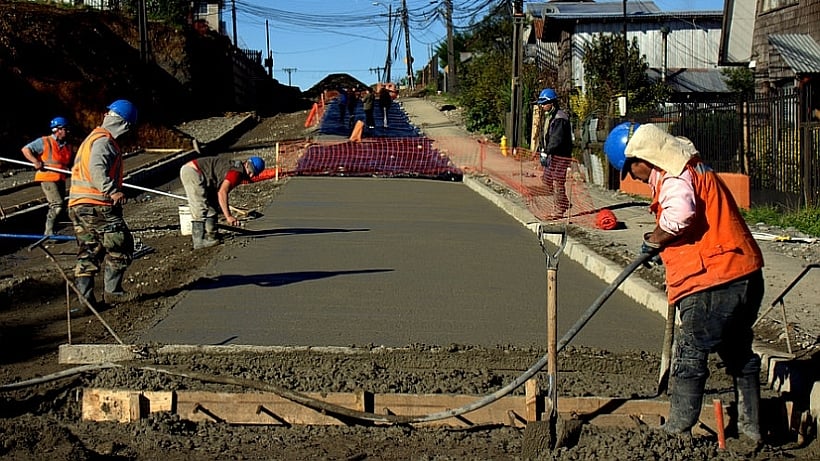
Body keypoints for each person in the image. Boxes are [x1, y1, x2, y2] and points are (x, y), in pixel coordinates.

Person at [603, 122, 765, 442]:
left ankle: (677, 430)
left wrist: (655, 240)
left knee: (689, 355)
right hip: (744, 272)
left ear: (641, 159)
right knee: (738, 354)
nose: (632, 177)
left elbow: (679, 216)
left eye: (629, 169)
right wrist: (659, 243)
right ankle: (751, 430)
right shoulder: (692, 168)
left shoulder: (674, 177)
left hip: (713, 280)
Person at [68, 99, 138, 307]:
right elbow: (97, 169)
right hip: (96, 204)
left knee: (89, 250)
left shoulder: (92, 138)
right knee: (120, 244)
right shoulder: (104, 141)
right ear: (124, 124)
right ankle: (113, 292)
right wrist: (112, 191)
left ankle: (85, 300)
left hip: (78, 205)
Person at [179, 155, 265, 249]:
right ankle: (198, 241)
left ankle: (212, 236)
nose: (251, 175)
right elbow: (222, 192)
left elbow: (218, 193)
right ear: (247, 164)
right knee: (199, 205)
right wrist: (228, 216)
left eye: (254, 174)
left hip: (204, 177)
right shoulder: (236, 173)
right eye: (251, 172)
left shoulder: (237, 169)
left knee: (212, 204)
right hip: (193, 172)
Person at [21, 116, 74, 236]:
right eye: (66, 129)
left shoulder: (67, 146)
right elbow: (25, 149)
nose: (68, 131)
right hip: (47, 177)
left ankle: (51, 231)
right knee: (57, 204)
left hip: (60, 177)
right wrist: (35, 161)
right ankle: (49, 232)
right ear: (58, 129)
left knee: (58, 205)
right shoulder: (45, 141)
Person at [533, 88, 573, 217]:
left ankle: (558, 210)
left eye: (544, 103)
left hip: (561, 155)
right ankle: (563, 202)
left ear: (552, 102)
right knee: (546, 179)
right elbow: (546, 136)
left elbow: (557, 139)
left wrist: (547, 151)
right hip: (552, 155)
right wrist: (542, 150)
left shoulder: (560, 118)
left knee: (557, 181)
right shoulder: (550, 116)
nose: (542, 105)